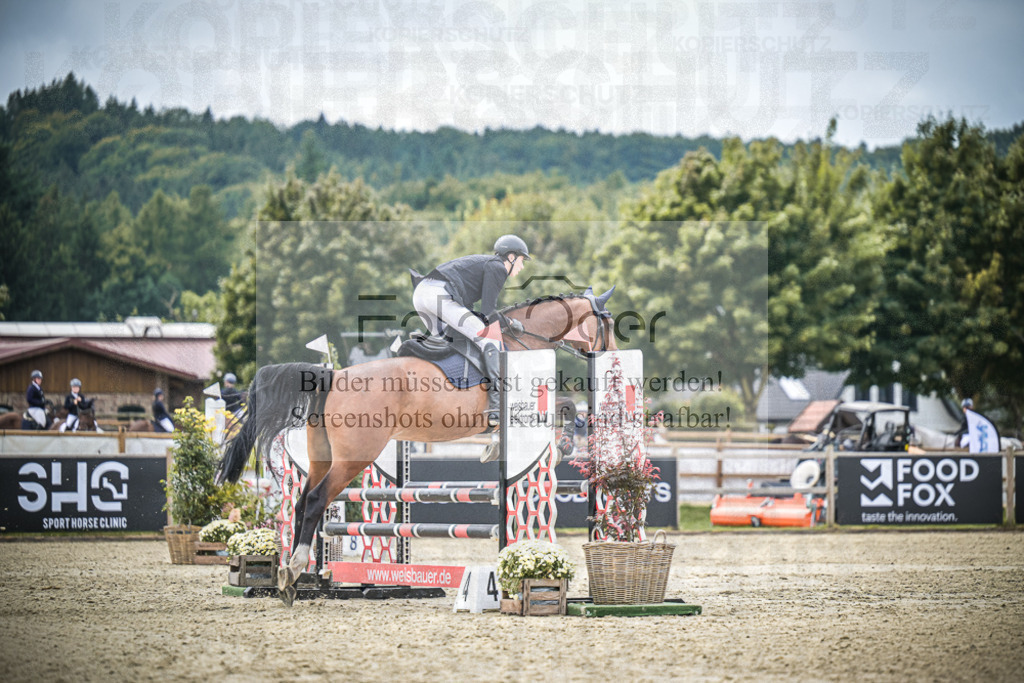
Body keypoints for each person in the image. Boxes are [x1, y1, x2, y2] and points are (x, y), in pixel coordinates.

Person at [412, 234, 530, 425]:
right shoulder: (498, 267)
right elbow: (488, 313)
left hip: (421, 294)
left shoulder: (483, 266)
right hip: (438, 294)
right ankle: (496, 404)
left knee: (448, 341)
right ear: (511, 257)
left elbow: (474, 311)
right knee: (490, 338)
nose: (522, 266)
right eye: (521, 260)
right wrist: (510, 323)